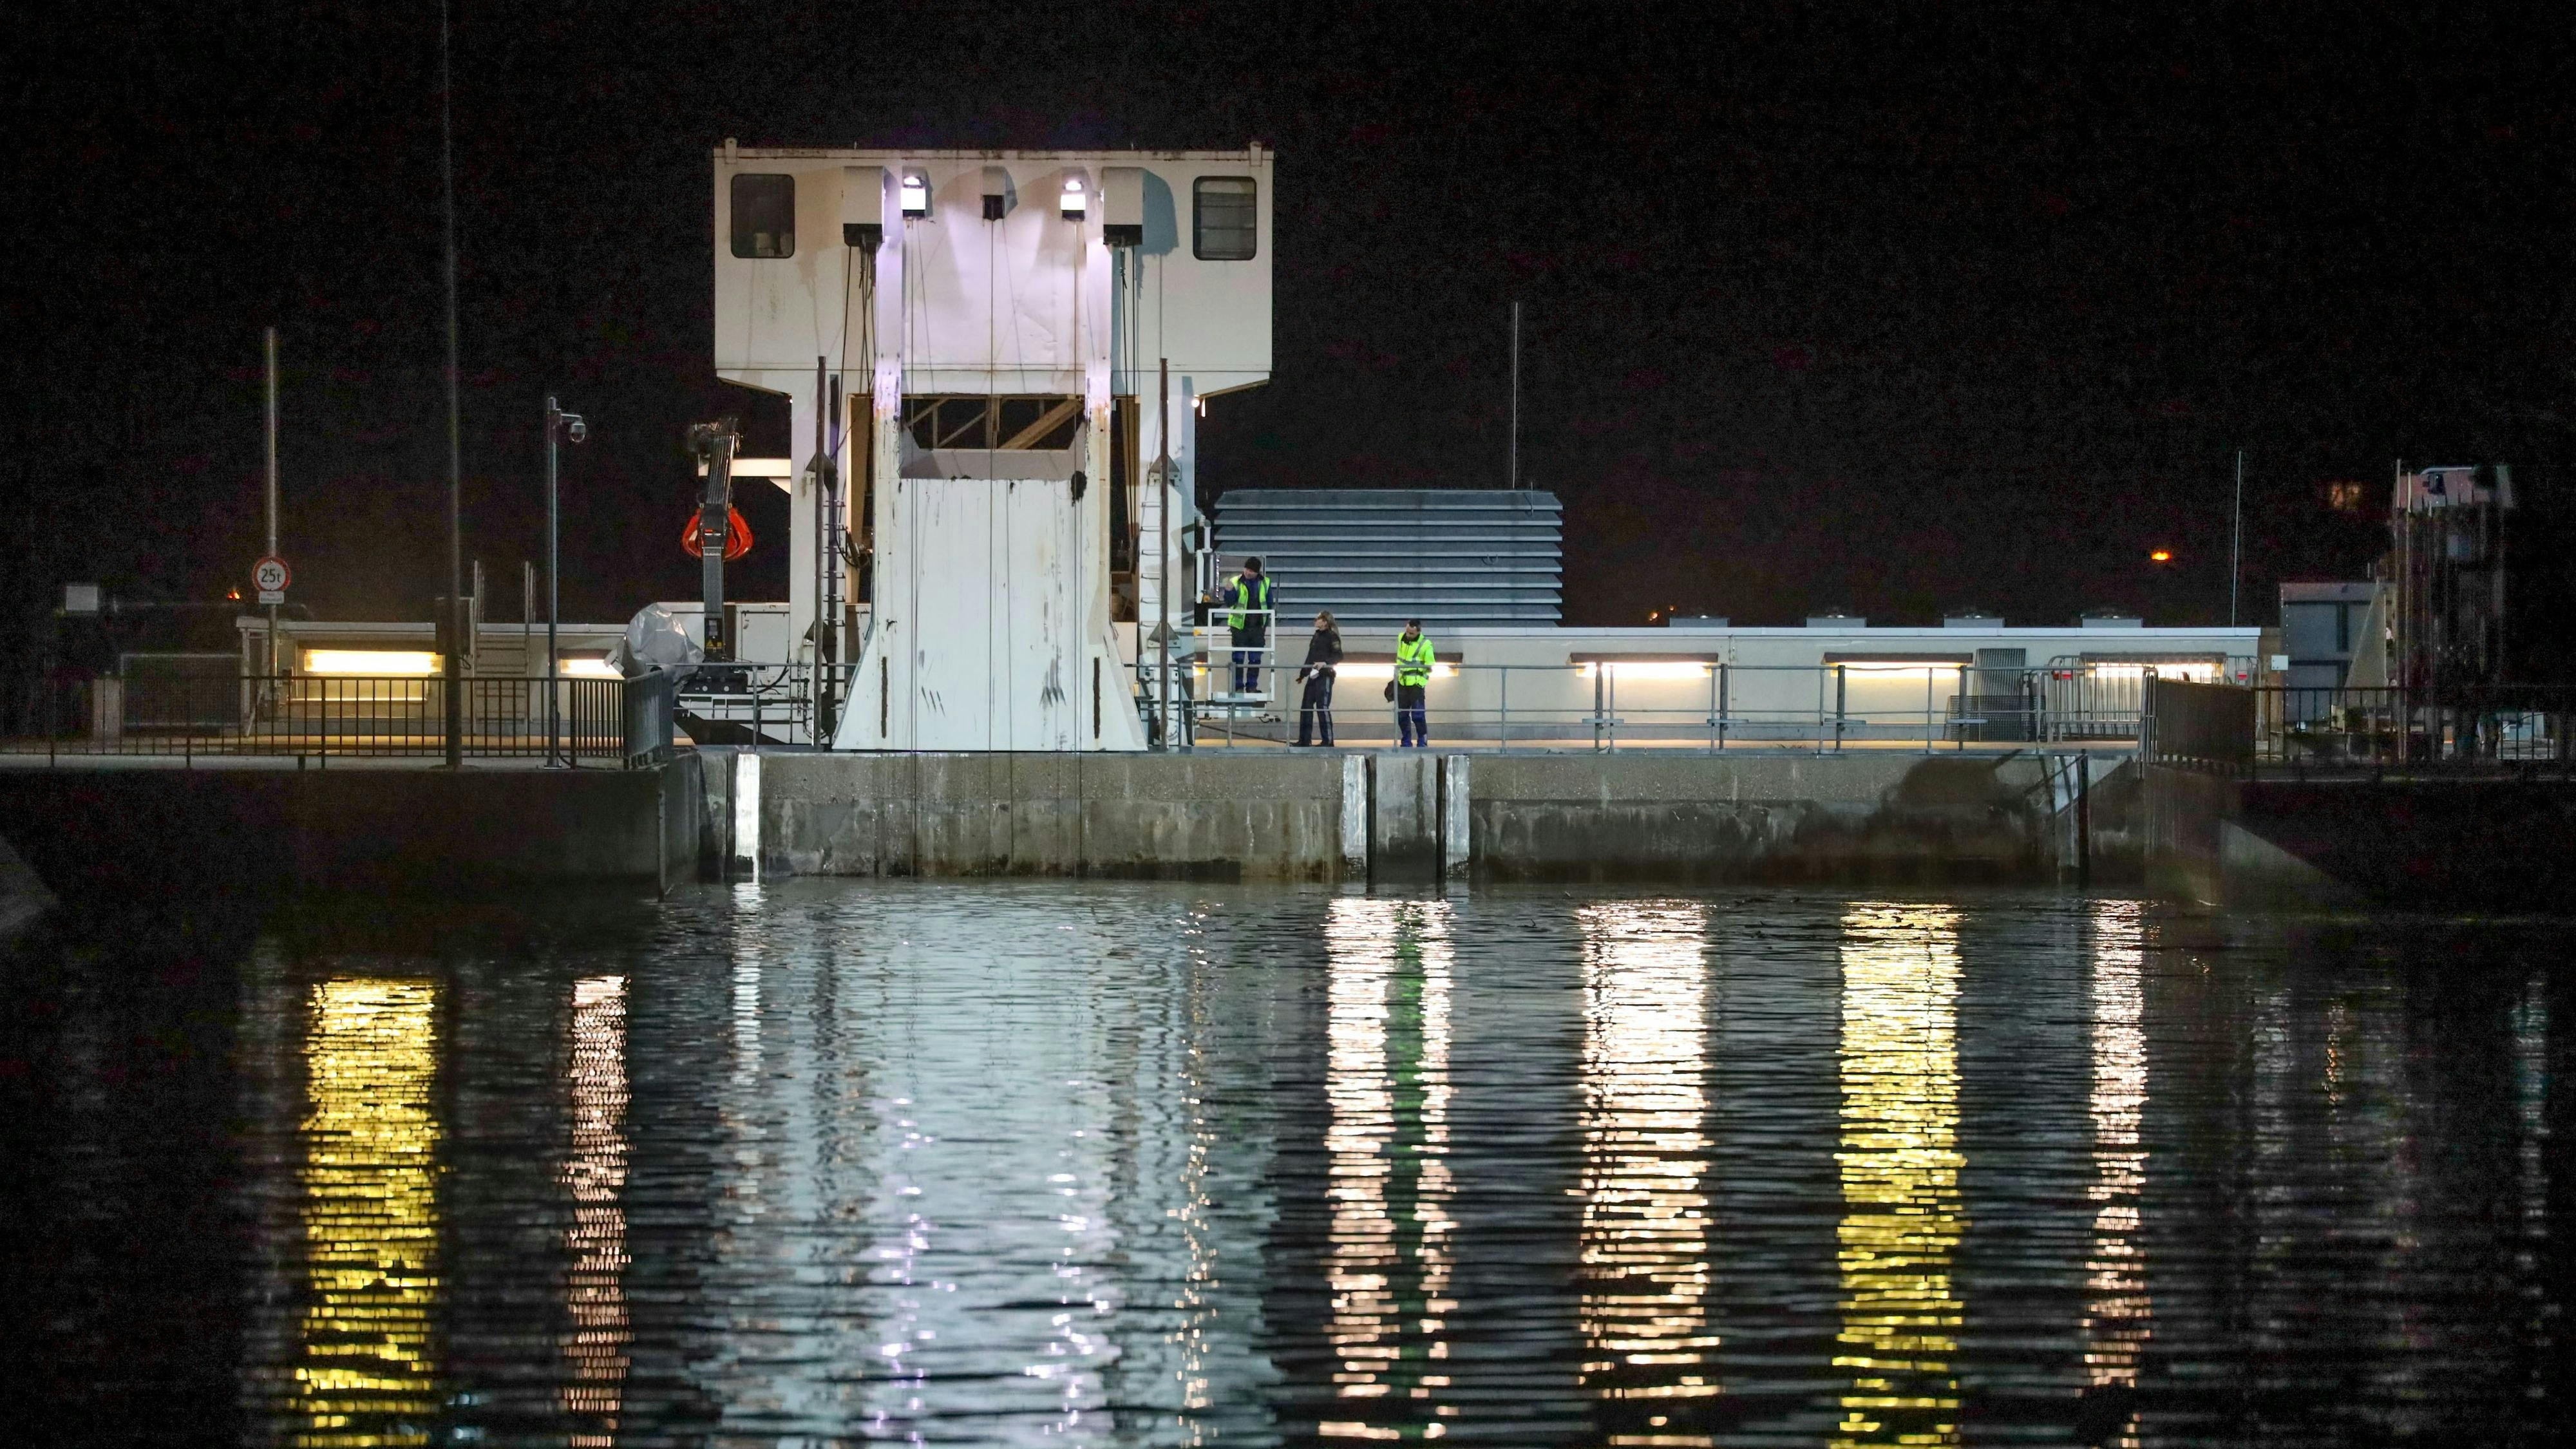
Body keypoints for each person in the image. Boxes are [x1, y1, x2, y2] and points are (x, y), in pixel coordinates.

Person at [1209, 556, 1274, 695]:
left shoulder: (1265, 583)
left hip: (1257, 627)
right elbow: (1230, 602)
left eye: (1251, 570)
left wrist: (1265, 624)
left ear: (1257, 572)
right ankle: (1238, 687)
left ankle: (1252, 687)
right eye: (1247, 569)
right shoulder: (1235, 582)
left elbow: (1269, 604)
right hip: (1240, 627)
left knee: (1255, 659)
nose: (1248, 572)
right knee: (1238, 658)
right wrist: (1229, 591)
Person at [1293, 611, 1343, 747]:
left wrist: (1325, 663)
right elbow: (1310, 656)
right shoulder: (1316, 636)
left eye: (1318, 618)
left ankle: (1328, 741)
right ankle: (1304, 740)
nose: (1315, 620)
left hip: (1325, 674)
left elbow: (1339, 656)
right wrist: (1303, 674)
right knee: (1306, 707)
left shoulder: (1332, 637)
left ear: (1325, 621)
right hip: (1314, 674)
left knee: (1323, 707)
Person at [1394, 618, 1435, 748]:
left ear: (1418, 632)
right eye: (1407, 632)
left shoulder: (1426, 644)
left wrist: (1421, 682)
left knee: (1418, 716)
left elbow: (1430, 665)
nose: (1408, 635)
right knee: (1402, 715)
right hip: (1402, 682)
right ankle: (1406, 741)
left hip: (1416, 685)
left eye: (1411, 633)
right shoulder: (1401, 638)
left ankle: (1422, 740)